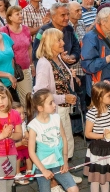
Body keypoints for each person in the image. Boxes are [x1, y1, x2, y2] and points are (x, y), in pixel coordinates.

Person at [26, 89, 79, 192]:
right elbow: (31, 152)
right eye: (50, 103)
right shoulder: (33, 126)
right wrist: (43, 170)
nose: (54, 105)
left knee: (73, 190)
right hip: (43, 166)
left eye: (53, 102)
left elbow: (64, 138)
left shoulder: (56, 117)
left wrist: (65, 160)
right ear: (40, 107)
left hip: (58, 163)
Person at [34, 27, 79, 163]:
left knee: (66, 140)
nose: (63, 43)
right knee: (59, 143)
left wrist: (70, 76)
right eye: (58, 40)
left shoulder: (58, 58)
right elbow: (41, 94)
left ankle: (64, 172)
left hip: (63, 109)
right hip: (55, 111)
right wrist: (64, 98)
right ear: (49, 43)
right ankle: (56, 180)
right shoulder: (44, 64)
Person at [82, 7, 110, 99]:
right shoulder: (90, 38)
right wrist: (109, 58)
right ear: (103, 22)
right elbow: (87, 66)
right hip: (101, 91)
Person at [1, 5, 32, 109]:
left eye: (21, 13)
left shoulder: (26, 29)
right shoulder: (4, 31)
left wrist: (31, 64)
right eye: (17, 14)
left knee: (28, 99)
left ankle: (28, 121)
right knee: (12, 100)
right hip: (9, 71)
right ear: (10, 17)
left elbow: (29, 48)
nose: (20, 16)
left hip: (25, 69)